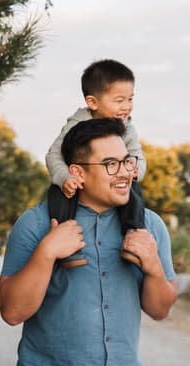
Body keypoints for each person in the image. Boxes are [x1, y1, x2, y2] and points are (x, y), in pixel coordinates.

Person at [0, 118, 177, 366]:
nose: (124, 172)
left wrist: (153, 268)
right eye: (110, 164)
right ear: (77, 172)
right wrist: (47, 252)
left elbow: (160, 309)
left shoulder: (150, 226)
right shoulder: (36, 224)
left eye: (126, 161)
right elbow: (12, 312)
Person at [45, 59, 147, 268]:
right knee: (60, 195)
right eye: (119, 100)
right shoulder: (77, 125)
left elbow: (137, 154)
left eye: (130, 99)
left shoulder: (127, 127)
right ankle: (67, 246)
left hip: (110, 181)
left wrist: (136, 170)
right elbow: (53, 155)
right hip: (76, 179)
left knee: (134, 192)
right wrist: (65, 177)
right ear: (93, 103)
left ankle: (133, 235)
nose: (126, 107)